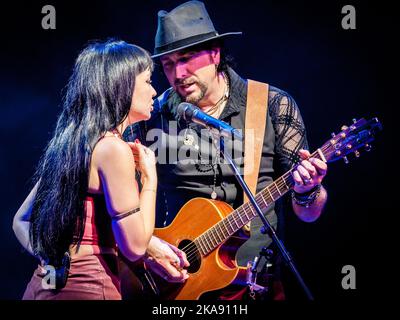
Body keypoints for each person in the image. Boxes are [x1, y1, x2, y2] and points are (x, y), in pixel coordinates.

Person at [125, 1, 328, 300]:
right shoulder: (150, 117)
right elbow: (119, 205)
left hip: (255, 286)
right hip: (176, 286)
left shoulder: (271, 105)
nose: (178, 73)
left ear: (215, 53)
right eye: (168, 64)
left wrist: (308, 190)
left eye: (187, 58)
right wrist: (149, 249)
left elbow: (309, 214)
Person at [12, 39, 161, 300]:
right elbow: (135, 245)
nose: (154, 91)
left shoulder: (68, 145)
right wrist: (150, 179)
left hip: (41, 289)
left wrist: (54, 260)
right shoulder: (112, 149)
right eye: (147, 81)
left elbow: (20, 221)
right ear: (121, 84)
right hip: (89, 289)